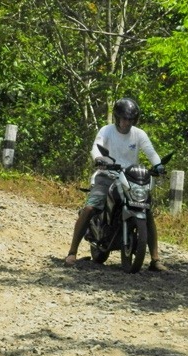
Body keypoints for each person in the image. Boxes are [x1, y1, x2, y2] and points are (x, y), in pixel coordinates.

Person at [64, 97, 168, 272]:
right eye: (124, 118)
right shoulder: (107, 130)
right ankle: (72, 252)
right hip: (107, 175)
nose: (127, 122)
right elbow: (96, 147)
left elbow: (151, 152)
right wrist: (99, 159)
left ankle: (155, 259)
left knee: (146, 211)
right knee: (91, 208)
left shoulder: (139, 134)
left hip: (130, 177)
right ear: (117, 118)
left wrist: (158, 165)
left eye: (130, 119)